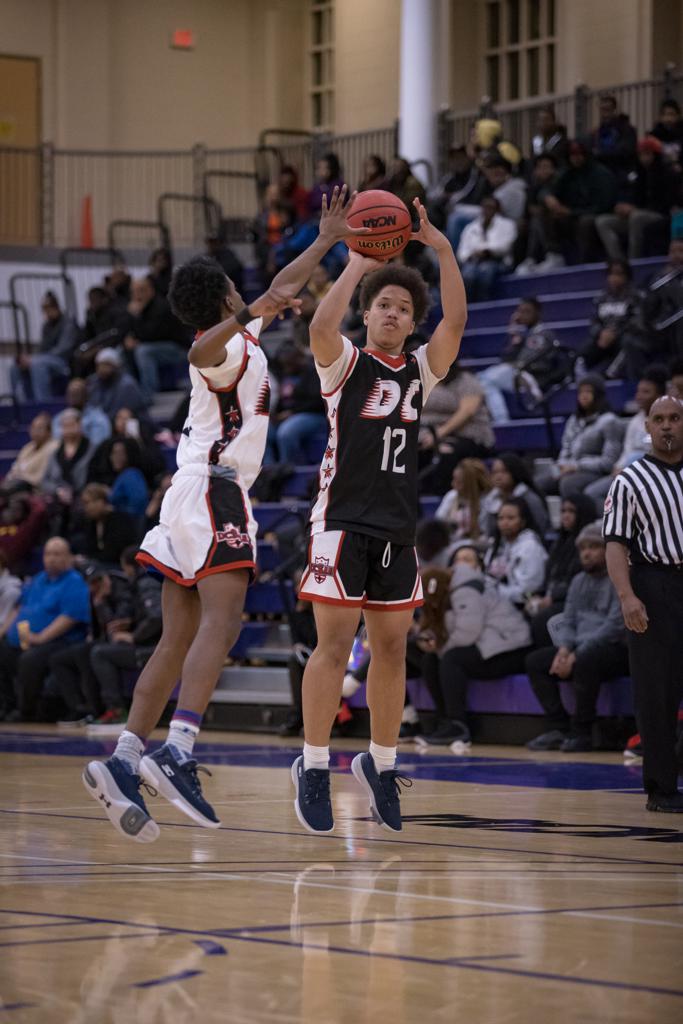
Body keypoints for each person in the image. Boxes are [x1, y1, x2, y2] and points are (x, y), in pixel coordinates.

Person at [82, 185, 365, 842]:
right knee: (226, 617)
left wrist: (325, 240)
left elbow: (280, 285)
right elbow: (198, 354)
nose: (252, 295)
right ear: (224, 300)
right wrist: (249, 314)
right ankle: (178, 750)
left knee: (176, 638)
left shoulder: (245, 332)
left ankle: (125, 759)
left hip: (188, 492)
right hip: (214, 490)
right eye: (240, 296)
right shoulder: (223, 346)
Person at [293, 198, 467, 834]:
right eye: (383, 304)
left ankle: (382, 763)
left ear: (411, 322)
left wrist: (443, 250)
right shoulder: (344, 363)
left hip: (396, 527)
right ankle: (313, 766)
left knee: (392, 649)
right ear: (368, 314)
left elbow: (455, 324)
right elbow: (318, 328)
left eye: (403, 308)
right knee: (334, 647)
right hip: (340, 520)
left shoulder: (421, 371)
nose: (393, 313)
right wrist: (355, 264)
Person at [604, 395, 683, 812]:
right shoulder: (630, 480)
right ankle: (662, 788)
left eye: (674, 418)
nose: (667, 426)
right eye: (659, 419)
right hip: (654, 584)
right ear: (647, 427)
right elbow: (615, 544)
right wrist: (627, 596)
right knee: (657, 691)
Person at [525, 521, 629, 752]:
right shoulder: (578, 581)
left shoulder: (619, 577)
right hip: (581, 647)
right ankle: (557, 727)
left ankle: (582, 732)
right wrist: (564, 650)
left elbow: (615, 626)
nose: (587, 553)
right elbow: (569, 620)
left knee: (586, 660)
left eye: (594, 547)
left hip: (615, 649)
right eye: (582, 548)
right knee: (536, 662)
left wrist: (576, 653)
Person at [418, 544, 532, 745]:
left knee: (451, 659)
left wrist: (440, 648)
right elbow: (443, 628)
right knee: (430, 659)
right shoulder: (448, 589)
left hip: (511, 647)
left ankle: (458, 724)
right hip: (489, 644)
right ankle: (445, 721)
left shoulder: (466, 588)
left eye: (468, 558)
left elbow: (467, 633)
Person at [0, 537, 90, 722]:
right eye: (48, 554)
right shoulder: (38, 579)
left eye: (57, 554)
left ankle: (27, 711)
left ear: (68, 557)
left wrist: (41, 638)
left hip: (60, 641)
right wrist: (3, 632)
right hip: (26, 638)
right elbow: (19, 608)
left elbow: (69, 617)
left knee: (29, 660)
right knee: (3, 652)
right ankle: (7, 706)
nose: (51, 558)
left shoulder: (74, 582)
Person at [88, 547, 163, 728]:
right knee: (103, 648)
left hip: (156, 649)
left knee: (100, 653)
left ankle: (116, 709)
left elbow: (157, 616)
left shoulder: (146, 582)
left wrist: (134, 637)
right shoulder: (146, 581)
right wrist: (131, 621)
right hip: (158, 644)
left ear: (130, 566)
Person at [584, 365, 668, 504]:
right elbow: (627, 450)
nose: (639, 396)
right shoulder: (635, 421)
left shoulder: (667, 421)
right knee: (592, 493)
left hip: (651, 473)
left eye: (646, 392)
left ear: (660, 395)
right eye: (638, 392)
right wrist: (619, 467)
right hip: (627, 471)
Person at [477, 297, 565, 422]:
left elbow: (527, 362)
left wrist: (519, 345)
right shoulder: (523, 334)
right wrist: (513, 336)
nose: (523, 315)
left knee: (485, 379)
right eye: (520, 311)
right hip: (518, 373)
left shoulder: (543, 333)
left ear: (538, 313)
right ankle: (497, 420)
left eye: (527, 311)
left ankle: (502, 421)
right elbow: (505, 358)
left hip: (532, 377)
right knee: (480, 379)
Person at [525, 493, 597, 646]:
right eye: (563, 511)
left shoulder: (591, 543)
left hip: (574, 600)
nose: (565, 516)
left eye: (571, 511)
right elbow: (549, 576)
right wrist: (536, 595)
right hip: (553, 596)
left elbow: (582, 578)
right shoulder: (560, 541)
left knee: (542, 621)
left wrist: (552, 597)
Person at [595, 136, 679, 261]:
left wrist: (634, 209)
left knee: (637, 217)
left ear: (655, 155)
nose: (643, 158)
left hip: (660, 215)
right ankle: (618, 261)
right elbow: (635, 197)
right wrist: (623, 207)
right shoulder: (639, 173)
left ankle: (634, 261)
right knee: (603, 221)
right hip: (638, 213)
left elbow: (667, 203)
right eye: (641, 154)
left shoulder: (668, 174)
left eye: (647, 154)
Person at [539, 140, 617, 269]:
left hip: (595, 213)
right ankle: (554, 255)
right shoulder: (568, 172)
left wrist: (572, 212)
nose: (576, 158)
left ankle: (584, 262)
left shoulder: (601, 174)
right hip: (572, 212)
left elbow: (604, 205)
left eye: (579, 154)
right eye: (572, 155)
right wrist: (549, 197)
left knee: (585, 222)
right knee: (547, 212)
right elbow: (547, 189)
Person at [541, 374, 622, 497]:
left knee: (568, 484)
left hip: (595, 472)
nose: (584, 396)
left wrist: (576, 466)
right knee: (539, 483)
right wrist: (562, 465)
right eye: (581, 392)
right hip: (570, 469)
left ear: (598, 395)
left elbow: (608, 462)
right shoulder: (574, 420)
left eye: (589, 392)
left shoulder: (610, 421)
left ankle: (579, 515)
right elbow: (566, 448)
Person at [419, 363, 495, 494]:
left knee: (447, 454)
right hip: (428, 436)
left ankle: (445, 499)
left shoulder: (466, 380)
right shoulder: (419, 381)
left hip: (468, 436)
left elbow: (467, 411)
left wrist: (438, 436)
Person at [577, 260, 647, 380]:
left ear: (627, 276)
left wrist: (615, 333)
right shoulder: (601, 298)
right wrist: (601, 332)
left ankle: (611, 374)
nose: (614, 278)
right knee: (586, 347)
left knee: (628, 343)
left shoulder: (636, 296)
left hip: (626, 336)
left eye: (619, 274)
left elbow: (638, 321)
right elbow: (594, 321)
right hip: (605, 338)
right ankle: (577, 374)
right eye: (611, 274)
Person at [124, 275, 191, 398]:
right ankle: (131, 393)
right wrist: (130, 339)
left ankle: (148, 395)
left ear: (151, 290)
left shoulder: (162, 306)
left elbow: (151, 334)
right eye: (134, 292)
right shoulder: (139, 308)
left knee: (143, 351)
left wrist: (136, 317)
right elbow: (126, 331)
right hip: (156, 346)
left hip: (178, 348)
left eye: (141, 290)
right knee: (120, 352)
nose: (137, 295)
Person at [10, 291, 79, 402]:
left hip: (63, 363)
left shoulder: (68, 323)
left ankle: (42, 402)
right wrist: (28, 359)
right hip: (46, 360)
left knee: (37, 364)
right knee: (16, 367)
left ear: (56, 307)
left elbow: (64, 349)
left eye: (48, 308)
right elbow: (41, 348)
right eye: (44, 309)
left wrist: (36, 359)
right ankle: (21, 404)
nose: (46, 313)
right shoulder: (46, 326)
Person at [484, 497, 548, 606]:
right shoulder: (498, 544)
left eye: (510, 518)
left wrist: (492, 591)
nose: (504, 523)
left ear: (523, 522)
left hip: (520, 605)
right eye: (501, 518)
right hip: (495, 599)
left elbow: (528, 590)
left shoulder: (531, 547)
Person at [457, 196, 517, 302]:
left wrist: (485, 250)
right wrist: (471, 254)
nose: (487, 210)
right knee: (467, 274)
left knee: (485, 272)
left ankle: (484, 303)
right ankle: (469, 306)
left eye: (491, 207)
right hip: (474, 261)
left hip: (496, 261)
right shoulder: (471, 227)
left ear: (497, 209)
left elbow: (505, 246)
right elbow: (462, 251)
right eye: (485, 207)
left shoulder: (507, 225)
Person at [75, 483, 141, 566]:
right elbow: (89, 549)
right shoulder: (91, 523)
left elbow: (114, 552)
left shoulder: (121, 520)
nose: (86, 508)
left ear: (101, 501)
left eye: (87, 503)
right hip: (99, 565)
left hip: (119, 566)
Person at [483, 453, 549, 536]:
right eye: (495, 472)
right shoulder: (491, 498)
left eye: (504, 471)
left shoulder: (529, 498)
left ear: (514, 472)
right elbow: (488, 530)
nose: (498, 476)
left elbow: (540, 525)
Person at [642, 236, 683, 362]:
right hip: (662, 329)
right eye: (672, 252)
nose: (675, 255)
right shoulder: (658, 277)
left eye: (681, 251)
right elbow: (648, 307)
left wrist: (672, 283)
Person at [434, 458, 491, 540]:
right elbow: (438, 523)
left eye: (458, 482)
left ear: (472, 484)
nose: (452, 484)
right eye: (453, 479)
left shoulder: (487, 501)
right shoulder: (451, 495)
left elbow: (486, 533)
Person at [87, 347, 148, 422]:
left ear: (116, 366)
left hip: (128, 424)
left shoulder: (127, 385)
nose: (102, 369)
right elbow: (92, 406)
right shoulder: (94, 382)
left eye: (106, 365)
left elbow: (119, 413)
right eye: (99, 365)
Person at [590, 94, 638, 185]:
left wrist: (600, 153)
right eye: (602, 110)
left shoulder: (626, 129)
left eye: (608, 109)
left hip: (622, 175)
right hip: (603, 177)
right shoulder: (597, 132)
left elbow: (625, 151)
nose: (605, 114)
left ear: (615, 110)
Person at [2, 413, 57, 490]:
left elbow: (42, 477)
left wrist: (21, 477)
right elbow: (14, 470)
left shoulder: (54, 447)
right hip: (17, 486)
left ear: (49, 431)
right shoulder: (28, 447)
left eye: (39, 428)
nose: (35, 431)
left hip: (37, 490)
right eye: (33, 427)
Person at [53, 378, 112, 447]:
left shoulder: (99, 419)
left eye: (77, 393)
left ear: (86, 395)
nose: (74, 396)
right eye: (71, 393)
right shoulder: (58, 419)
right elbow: (57, 445)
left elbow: (98, 445)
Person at [650, 97, 683, 168]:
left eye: (671, 114)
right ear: (661, 117)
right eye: (664, 114)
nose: (668, 118)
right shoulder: (654, 135)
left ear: (678, 116)